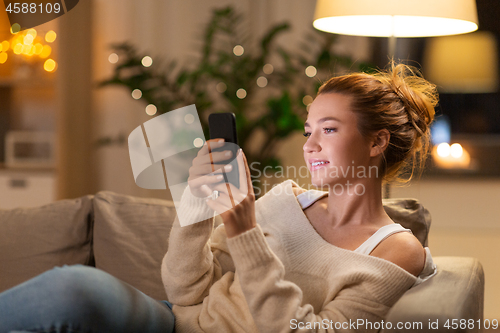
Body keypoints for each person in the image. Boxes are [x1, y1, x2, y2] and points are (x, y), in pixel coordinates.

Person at [0, 63, 437, 333]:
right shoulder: (286, 200)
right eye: (308, 130)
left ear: (377, 141)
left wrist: (244, 230)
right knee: (74, 287)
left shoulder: (395, 251)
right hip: (173, 321)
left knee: (72, 294)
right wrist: (195, 206)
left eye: (329, 129)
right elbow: (186, 292)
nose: (309, 145)